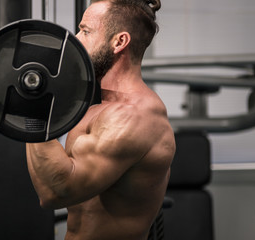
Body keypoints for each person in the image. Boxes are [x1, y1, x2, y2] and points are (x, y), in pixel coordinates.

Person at [26, 0, 175, 239]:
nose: (75, 38)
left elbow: (56, 192)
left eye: (85, 31)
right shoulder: (97, 105)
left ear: (119, 42)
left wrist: (32, 109)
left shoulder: (134, 117)